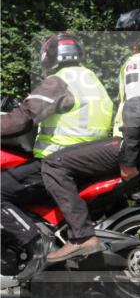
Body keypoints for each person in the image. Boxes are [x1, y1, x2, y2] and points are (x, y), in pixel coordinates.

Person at [40, 8, 140, 263]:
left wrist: (128, 159)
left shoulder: (138, 63)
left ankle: (81, 237)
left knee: (54, 163)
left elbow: (136, 111)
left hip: (134, 146)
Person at [0, 34, 113, 209]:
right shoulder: (92, 79)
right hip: (90, 160)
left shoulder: (60, 81)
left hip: (60, 160)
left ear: (47, 56)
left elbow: (23, 118)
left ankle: (33, 238)